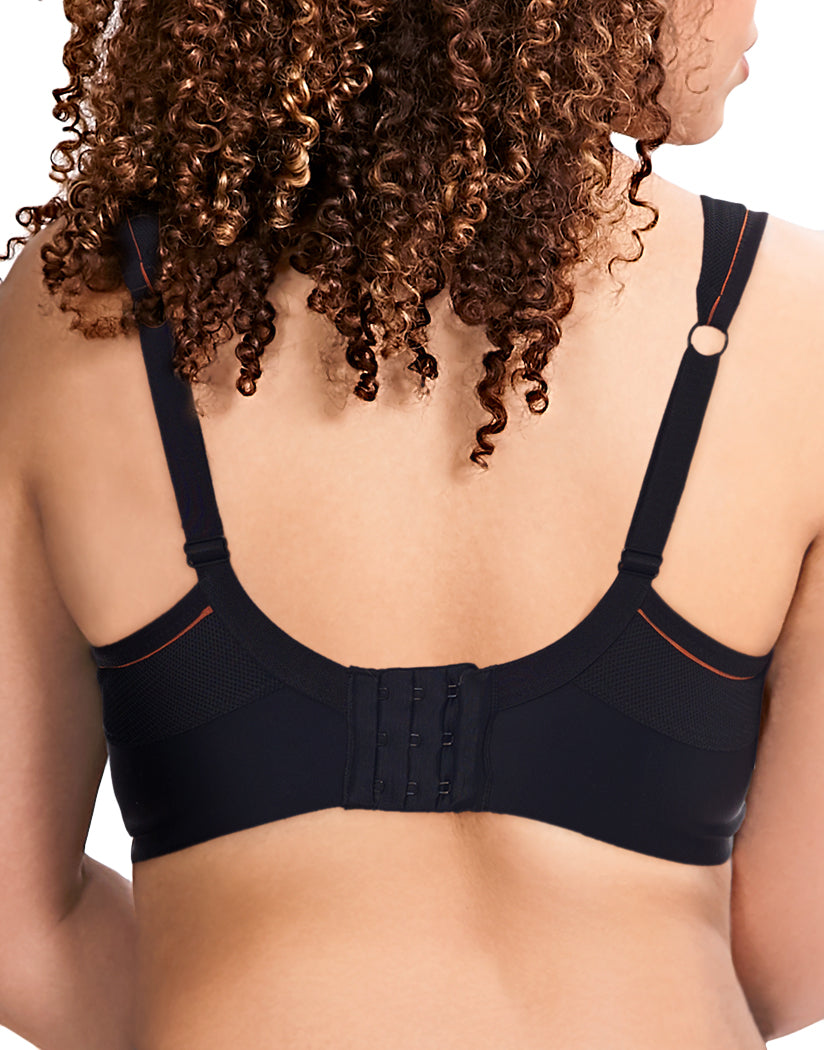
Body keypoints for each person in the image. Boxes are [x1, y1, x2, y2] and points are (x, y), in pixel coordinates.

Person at [1, 0, 823, 1047]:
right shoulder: (797, 326)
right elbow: (790, 950)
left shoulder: (83, 314)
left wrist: (226, 1001)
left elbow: (16, 932)